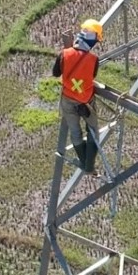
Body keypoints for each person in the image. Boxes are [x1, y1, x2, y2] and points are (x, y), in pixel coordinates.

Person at [53, 19, 103, 174]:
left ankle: (85, 163)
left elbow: (56, 73)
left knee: (75, 132)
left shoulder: (64, 54)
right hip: (86, 102)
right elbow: (91, 76)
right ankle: (89, 165)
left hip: (68, 100)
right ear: (93, 40)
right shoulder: (93, 59)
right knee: (93, 130)